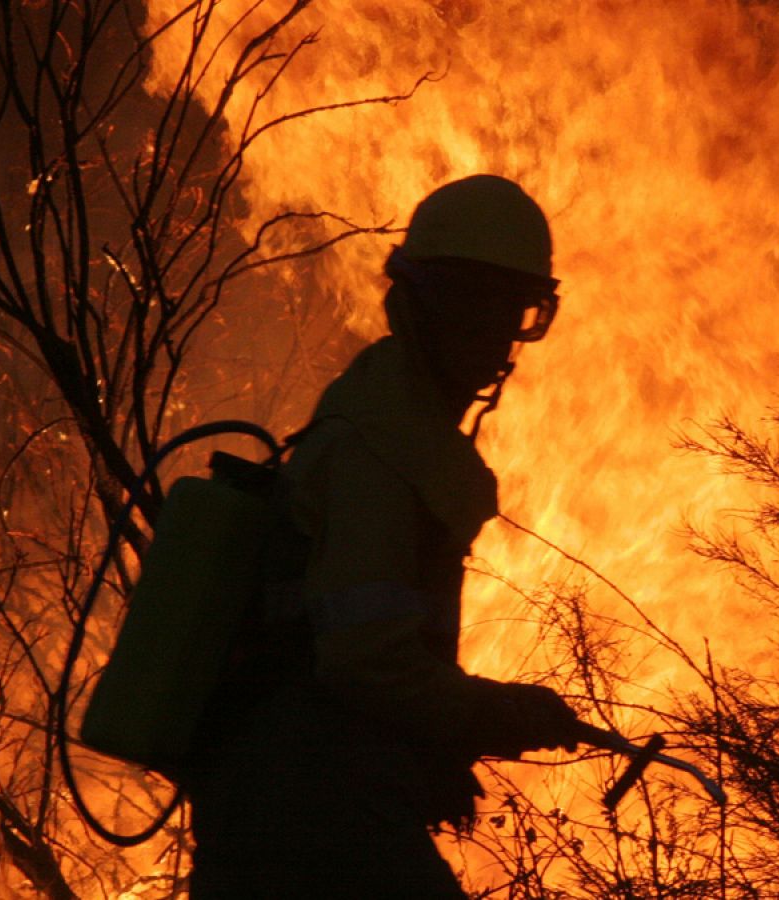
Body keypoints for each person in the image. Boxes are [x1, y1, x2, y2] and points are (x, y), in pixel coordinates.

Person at [185, 175, 584, 897]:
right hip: (300, 806)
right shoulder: (382, 449)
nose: (494, 342)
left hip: (299, 794)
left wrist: (429, 751)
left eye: (513, 314)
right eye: (475, 311)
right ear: (421, 306)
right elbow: (365, 660)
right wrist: (494, 714)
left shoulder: (395, 425)